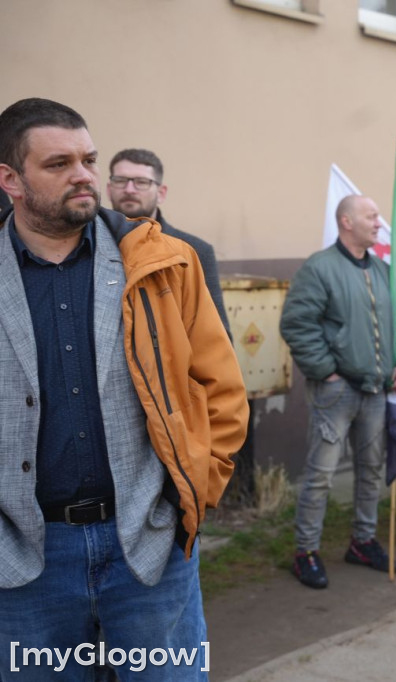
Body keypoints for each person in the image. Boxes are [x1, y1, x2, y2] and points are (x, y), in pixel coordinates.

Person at [0, 98, 248, 679]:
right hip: (22, 562)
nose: (84, 175)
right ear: (10, 179)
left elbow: (222, 389)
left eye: (88, 159)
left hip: (149, 544)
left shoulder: (164, 263)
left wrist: (192, 493)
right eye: (58, 164)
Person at [280, 194, 396, 588]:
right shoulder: (320, 268)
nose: (379, 223)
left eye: (378, 216)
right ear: (346, 221)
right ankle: (305, 551)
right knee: (321, 475)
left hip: (377, 392)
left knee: (371, 470)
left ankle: (362, 541)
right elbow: (297, 323)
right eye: (371, 216)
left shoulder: (384, 271)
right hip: (335, 395)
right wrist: (325, 372)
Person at [107, 148, 230, 334]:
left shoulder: (194, 250)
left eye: (141, 182)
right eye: (120, 181)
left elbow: (215, 334)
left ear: (161, 193)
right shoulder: (93, 246)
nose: (129, 189)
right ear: (109, 189)